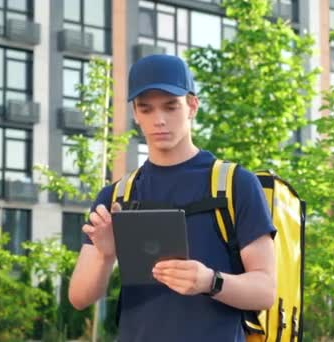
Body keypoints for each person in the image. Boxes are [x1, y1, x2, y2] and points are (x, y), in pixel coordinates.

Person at [68, 54, 277, 342]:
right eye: (147, 109)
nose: (159, 121)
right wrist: (105, 255)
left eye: (171, 106)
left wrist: (210, 281)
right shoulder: (117, 196)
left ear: (192, 106)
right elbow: (79, 298)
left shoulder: (235, 185)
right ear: (135, 114)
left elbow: (265, 290)